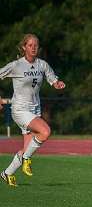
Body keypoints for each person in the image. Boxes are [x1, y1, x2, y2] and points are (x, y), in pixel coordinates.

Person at [0, 33, 65, 187]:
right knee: (45, 131)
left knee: (26, 148)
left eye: (36, 45)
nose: (34, 47)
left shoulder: (42, 65)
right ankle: (27, 160)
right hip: (20, 109)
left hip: (34, 110)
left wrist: (57, 84)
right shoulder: (16, 65)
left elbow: (52, 79)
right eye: (30, 45)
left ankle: (7, 173)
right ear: (24, 47)